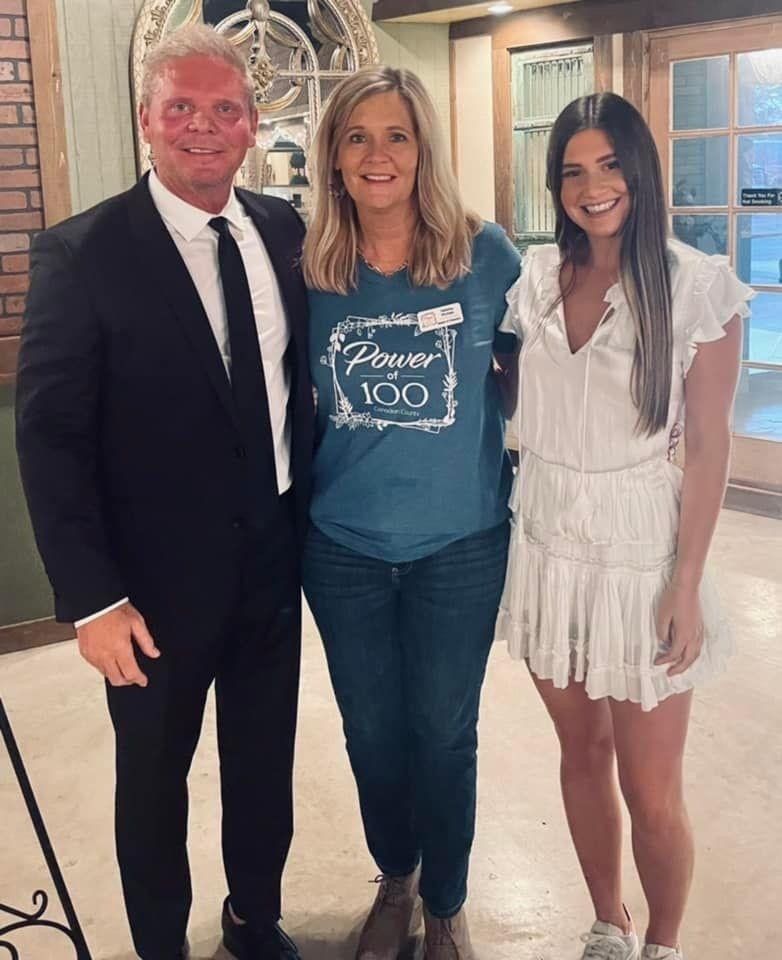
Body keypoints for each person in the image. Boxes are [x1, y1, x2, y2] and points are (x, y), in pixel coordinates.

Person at [15, 24, 313, 960]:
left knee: (264, 765)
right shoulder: (82, 253)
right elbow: (50, 439)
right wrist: (92, 600)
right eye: (180, 107)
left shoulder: (282, 231)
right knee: (153, 781)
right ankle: (159, 947)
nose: (202, 127)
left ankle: (253, 919)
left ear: (253, 125)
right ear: (147, 118)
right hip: (147, 593)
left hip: (272, 561)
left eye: (225, 109)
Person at [496, 92, 754, 960]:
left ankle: (666, 945)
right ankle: (610, 923)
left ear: (639, 170)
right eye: (572, 170)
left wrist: (686, 581)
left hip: (641, 549)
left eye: (609, 165)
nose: (592, 186)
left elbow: (711, 445)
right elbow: (509, 386)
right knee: (581, 752)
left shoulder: (696, 286)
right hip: (546, 540)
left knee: (653, 786)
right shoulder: (533, 277)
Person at [300, 66, 520, 960]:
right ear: (334, 158)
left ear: (424, 148)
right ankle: (397, 875)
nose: (377, 155)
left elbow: (539, 365)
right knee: (373, 731)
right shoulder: (306, 266)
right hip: (342, 545)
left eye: (396, 135)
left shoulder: (486, 254)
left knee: (444, 729)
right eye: (357, 137)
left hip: (459, 544)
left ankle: (450, 901)